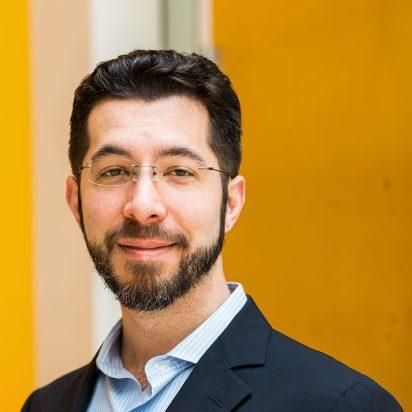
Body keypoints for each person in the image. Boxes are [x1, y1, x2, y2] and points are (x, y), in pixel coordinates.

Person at [22, 49, 402, 411]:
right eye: (115, 171)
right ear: (76, 202)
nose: (143, 206)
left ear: (230, 203)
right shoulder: (45, 406)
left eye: (179, 171)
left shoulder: (340, 405)